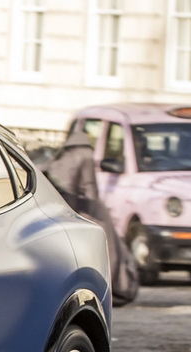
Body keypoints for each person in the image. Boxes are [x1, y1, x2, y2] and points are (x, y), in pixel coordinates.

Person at [46, 129, 139, 305]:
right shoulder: (85, 154)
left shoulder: (64, 155)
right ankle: (112, 287)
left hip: (64, 206)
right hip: (85, 207)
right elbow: (89, 185)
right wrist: (96, 209)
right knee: (106, 249)